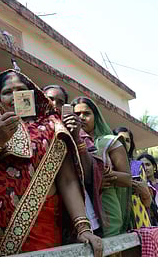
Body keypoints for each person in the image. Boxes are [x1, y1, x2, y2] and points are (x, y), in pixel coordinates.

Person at [0, 70, 102, 256]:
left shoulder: (53, 126)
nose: (15, 96)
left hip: (43, 226)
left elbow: (67, 180)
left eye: (21, 90)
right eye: (7, 92)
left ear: (33, 95)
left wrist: (83, 228)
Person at [43, 84, 103, 236]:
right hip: (42, 208)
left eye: (60, 102)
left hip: (76, 208)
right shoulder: (27, 129)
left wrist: (75, 137)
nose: (55, 105)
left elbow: (90, 174)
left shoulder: (74, 130)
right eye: (50, 99)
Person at [72, 96, 132, 237]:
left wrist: (104, 176)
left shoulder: (110, 142)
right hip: (79, 211)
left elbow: (127, 179)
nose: (81, 118)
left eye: (86, 114)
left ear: (96, 117)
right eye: (77, 114)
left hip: (107, 211)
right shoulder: (68, 141)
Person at [113, 126, 152, 229]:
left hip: (138, 218)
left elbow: (147, 203)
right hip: (114, 219)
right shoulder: (106, 164)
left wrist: (145, 193)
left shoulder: (137, 166)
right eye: (119, 139)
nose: (124, 143)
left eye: (127, 140)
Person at [138, 153, 158, 227]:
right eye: (142, 166)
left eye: (148, 165)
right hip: (143, 226)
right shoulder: (136, 187)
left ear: (154, 167)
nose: (145, 168)